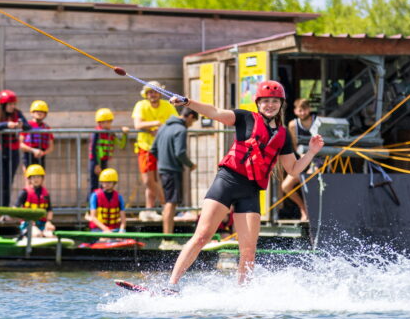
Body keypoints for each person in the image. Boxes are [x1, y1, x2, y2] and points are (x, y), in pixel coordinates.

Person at [166, 80, 324, 287]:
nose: (270, 105)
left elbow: (293, 169)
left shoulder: (284, 135)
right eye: (265, 101)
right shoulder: (244, 117)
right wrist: (187, 102)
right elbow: (214, 112)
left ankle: (242, 294)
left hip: (251, 190)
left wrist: (311, 152)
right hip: (227, 181)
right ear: (258, 103)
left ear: (281, 104)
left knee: (248, 249)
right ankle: (170, 286)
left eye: (274, 101)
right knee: (202, 236)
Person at [151, 106, 198, 240]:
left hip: (163, 169)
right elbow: (180, 153)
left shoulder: (163, 127)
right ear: (189, 116)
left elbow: (153, 149)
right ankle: (167, 239)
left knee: (169, 202)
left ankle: (167, 237)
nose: (190, 124)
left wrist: (163, 159)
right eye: (192, 122)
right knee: (171, 204)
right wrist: (190, 165)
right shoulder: (181, 129)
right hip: (173, 170)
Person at [132, 81, 176, 220]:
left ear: (160, 93)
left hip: (163, 147)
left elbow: (176, 122)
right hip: (146, 147)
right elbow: (138, 125)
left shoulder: (168, 105)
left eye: (155, 91)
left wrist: (161, 130)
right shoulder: (141, 105)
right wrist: (156, 125)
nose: (152, 94)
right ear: (146, 94)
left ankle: (149, 209)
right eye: (150, 92)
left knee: (155, 180)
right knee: (148, 181)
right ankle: (166, 204)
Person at [0, 89, 30, 207]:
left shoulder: (17, 113)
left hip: (12, 150)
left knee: (7, 182)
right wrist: (6, 125)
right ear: (3, 104)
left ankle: (5, 210)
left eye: (14, 104)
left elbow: (28, 126)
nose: (12, 106)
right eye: (10, 104)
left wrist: (21, 125)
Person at [280, 98, 315, 221]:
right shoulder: (293, 125)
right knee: (286, 186)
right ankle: (303, 208)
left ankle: (313, 213)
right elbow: (295, 146)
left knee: (309, 181)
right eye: (300, 110)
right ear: (295, 111)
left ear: (309, 109)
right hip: (303, 158)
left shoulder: (317, 121)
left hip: (317, 159)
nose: (303, 113)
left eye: (305, 110)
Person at [88, 108, 128, 192]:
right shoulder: (96, 132)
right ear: (99, 123)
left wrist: (124, 134)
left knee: (104, 185)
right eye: (104, 122)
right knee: (94, 184)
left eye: (109, 122)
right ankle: (91, 203)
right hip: (96, 161)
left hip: (104, 161)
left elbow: (121, 145)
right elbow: (93, 148)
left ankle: (102, 203)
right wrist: (96, 164)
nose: (107, 124)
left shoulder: (111, 133)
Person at [14, 164, 56, 239]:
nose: (36, 179)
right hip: (28, 223)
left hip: (42, 223)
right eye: (33, 177)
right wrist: (27, 218)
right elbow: (15, 209)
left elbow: (49, 210)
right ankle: (25, 237)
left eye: (38, 177)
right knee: (37, 234)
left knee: (51, 235)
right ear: (29, 179)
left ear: (42, 178)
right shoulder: (24, 192)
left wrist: (48, 222)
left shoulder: (45, 193)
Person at [87, 168, 126, 234]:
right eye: (104, 182)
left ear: (114, 183)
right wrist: (105, 229)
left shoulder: (119, 197)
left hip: (114, 229)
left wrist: (121, 230)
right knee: (105, 238)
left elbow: (123, 219)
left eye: (109, 182)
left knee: (122, 233)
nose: (106, 184)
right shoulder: (95, 196)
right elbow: (93, 217)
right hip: (98, 229)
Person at [19, 100, 54, 169]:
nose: (39, 113)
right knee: (28, 176)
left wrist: (43, 153)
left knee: (40, 176)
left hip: (41, 155)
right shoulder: (26, 126)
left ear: (45, 114)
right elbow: (20, 144)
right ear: (32, 113)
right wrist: (33, 150)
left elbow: (51, 147)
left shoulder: (47, 128)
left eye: (42, 112)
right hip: (28, 154)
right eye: (37, 111)